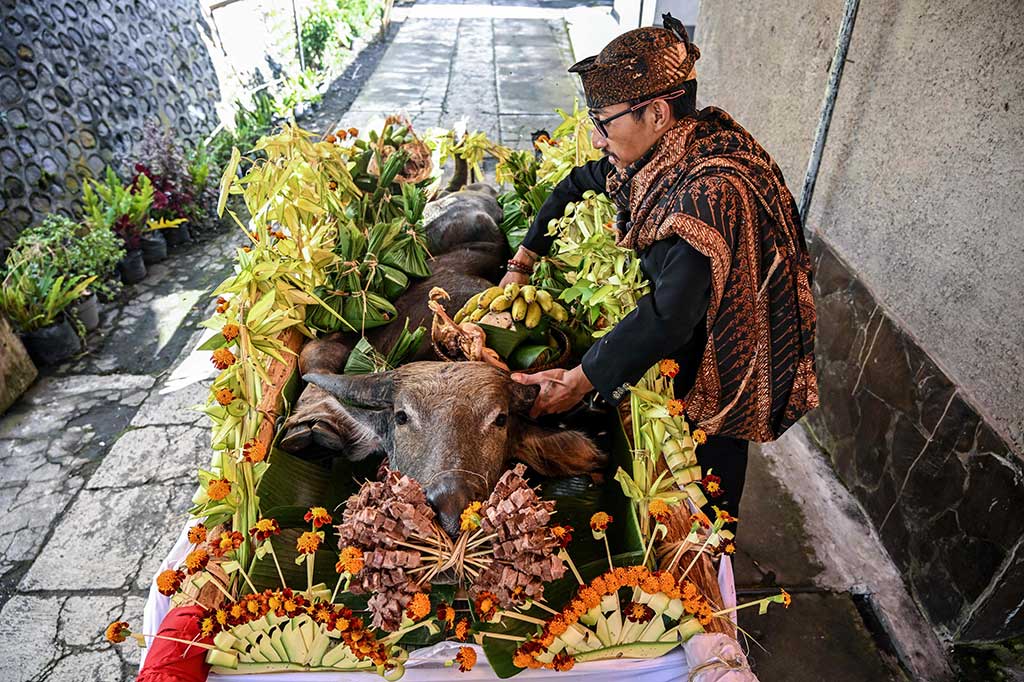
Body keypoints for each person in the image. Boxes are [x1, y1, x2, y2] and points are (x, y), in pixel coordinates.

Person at [504, 14, 819, 523]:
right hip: (676, 353)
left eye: (603, 122)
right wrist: (522, 262)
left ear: (656, 113)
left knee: (708, 507)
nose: (598, 139)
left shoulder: (713, 190)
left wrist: (581, 379)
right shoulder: (652, 159)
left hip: (720, 363)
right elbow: (574, 184)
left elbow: (670, 314)